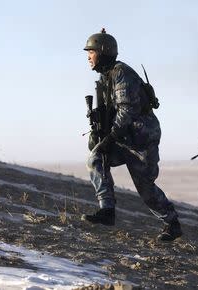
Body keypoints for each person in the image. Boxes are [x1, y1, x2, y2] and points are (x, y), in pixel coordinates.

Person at [81, 28, 182, 241]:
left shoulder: (120, 73)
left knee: (145, 188)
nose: (88, 57)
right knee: (96, 159)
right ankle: (107, 210)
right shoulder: (105, 77)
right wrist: (98, 134)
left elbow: (126, 110)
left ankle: (172, 223)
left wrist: (111, 137)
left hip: (142, 137)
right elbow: (112, 113)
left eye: (91, 52)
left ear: (103, 51)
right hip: (124, 137)